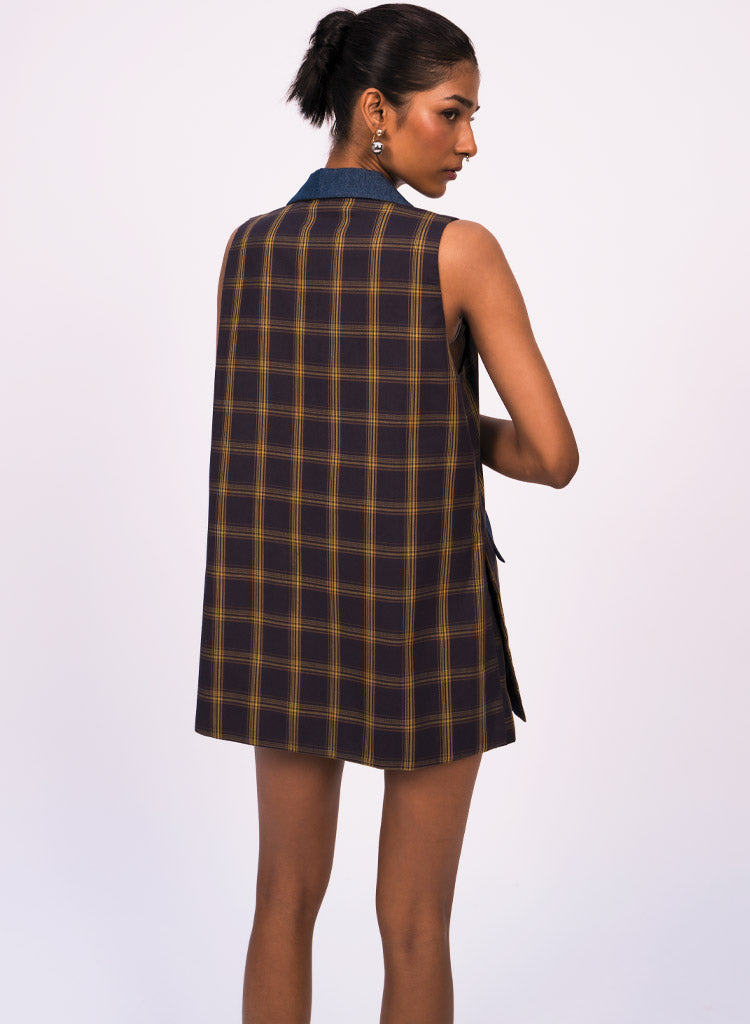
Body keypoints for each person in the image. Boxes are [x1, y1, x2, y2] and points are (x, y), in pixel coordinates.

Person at [194, 4, 579, 1021]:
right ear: (376, 110)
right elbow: (553, 455)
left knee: (281, 902)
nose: (469, 141)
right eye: (452, 112)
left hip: (282, 608)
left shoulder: (247, 249)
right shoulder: (458, 252)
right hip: (423, 609)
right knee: (413, 925)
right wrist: (454, 420)